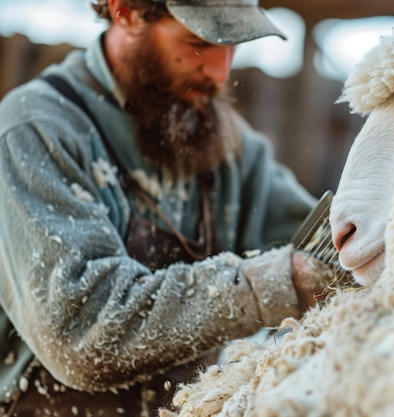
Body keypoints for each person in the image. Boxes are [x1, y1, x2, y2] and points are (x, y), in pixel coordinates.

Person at [0, 0, 335, 414]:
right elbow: (80, 331)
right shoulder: (34, 130)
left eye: (233, 45)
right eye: (197, 42)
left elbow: (330, 243)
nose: (219, 73)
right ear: (124, 11)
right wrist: (262, 285)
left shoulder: (226, 143)